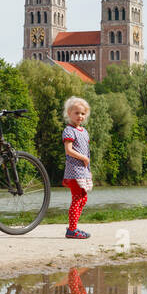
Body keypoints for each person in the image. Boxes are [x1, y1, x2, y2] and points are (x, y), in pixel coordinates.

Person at [61, 97, 93, 239]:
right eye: (76, 113)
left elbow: (86, 150)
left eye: (82, 113)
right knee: (77, 198)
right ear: (69, 113)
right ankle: (72, 230)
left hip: (83, 170)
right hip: (74, 170)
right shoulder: (69, 130)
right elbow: (69, 150)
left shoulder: (84, 131)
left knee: (83, 198)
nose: (80, 116)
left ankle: (74, 227)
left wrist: (88, 169)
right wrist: (84, 158)